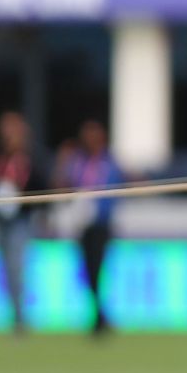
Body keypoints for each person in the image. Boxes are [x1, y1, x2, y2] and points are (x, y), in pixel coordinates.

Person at [0, 111, 48, 335]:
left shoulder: (31, 158)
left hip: (21, 220)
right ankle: (14, 315)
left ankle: (20, 319)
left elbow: (43, 187)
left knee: (17, 267)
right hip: (0, 220)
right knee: (6, 270)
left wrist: (45, 213)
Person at [56, 119, 123, 336]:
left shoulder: (108, 162)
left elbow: (115, 194)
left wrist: (97, 210)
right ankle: (100, 317)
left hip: (101, 225)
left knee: (98, 269)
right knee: (88, 271)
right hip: (82, 225)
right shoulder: (77, 161)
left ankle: (100, 317)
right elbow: (63, 186)